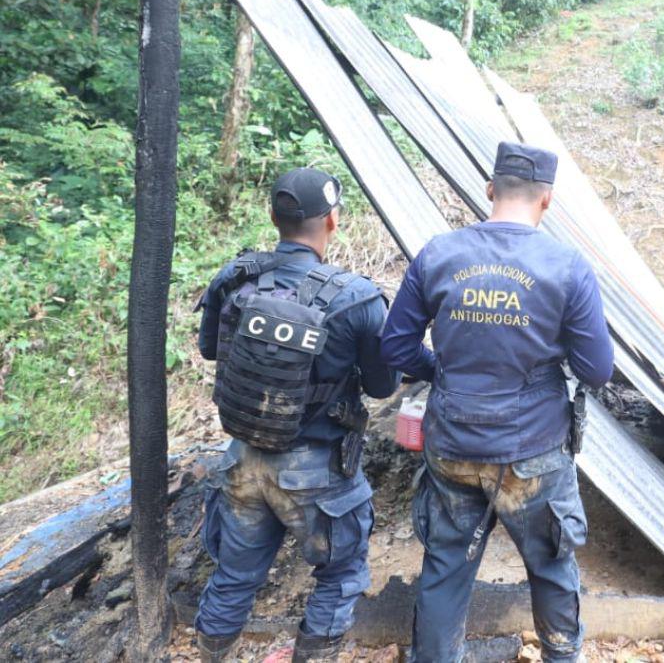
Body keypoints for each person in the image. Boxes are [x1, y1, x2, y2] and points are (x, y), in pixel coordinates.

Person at [381, 141, 615, 663]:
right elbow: (597, 370)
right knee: (552, 564)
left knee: (444, 567)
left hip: (453, 446)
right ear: (547, 200)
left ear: (490, 190)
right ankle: (560, 655)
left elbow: (395, 347)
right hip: (533, 453)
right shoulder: (567, 267)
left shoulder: (438, 254)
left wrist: (442, 371)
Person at [193, 168, 396, 662]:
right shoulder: (358, 298)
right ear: (333, 220)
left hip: (242, 459)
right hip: (316, 472)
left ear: (272, 217)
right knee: (342, 574)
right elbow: (382, 385)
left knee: (234, 575)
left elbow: (209, 350)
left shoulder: (235, 276)